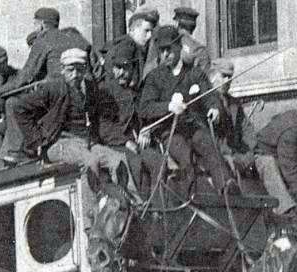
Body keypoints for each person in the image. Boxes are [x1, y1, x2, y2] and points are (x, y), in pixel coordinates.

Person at [5, 48, 128, 214]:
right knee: (90, 162)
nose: (75, 74)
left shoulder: (90, 89)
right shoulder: (54, 88)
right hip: (59, 143)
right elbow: (20, 108)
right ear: (62, 69)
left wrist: (124, 141)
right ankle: (91, 219)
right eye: (70, 70)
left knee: (118, 160)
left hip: (88, 143)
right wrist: (36, 140)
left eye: (79, 70)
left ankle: (126, 209)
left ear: (85, 70)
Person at [0, 8, 92, 166]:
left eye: (35, 24)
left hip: (56, 92)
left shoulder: (44, 39)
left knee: (12, 103)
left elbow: (25, 76)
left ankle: (21, 152)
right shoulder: (74, 38)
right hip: (80, 92)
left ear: (42, 25)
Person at [138, 25, 232, 196]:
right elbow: (144, 108)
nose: (165, 55)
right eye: (162, 51)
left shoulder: (194, 74)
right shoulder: (154, 78)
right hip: (169, 132)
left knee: (208, 146)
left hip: (193, 127)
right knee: (185, 155)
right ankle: (193, 198)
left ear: (179, 47)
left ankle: (227, 188)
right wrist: (168, 107)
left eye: (169, 49)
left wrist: (214, 109)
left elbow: (210, 96)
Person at [97, 40, 162, 196]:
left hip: (136, 143)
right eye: (117, 67)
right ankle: (141, 209)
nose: (120, 73)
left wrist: (147, 130)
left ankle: (159, 209)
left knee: (158, 162)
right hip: (115, 144)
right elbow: (105, 128)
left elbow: (147, 115)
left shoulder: (136, 91)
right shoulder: (105, 92)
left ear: (133, 68)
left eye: (125, 68)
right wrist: (126, 142)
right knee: (136, 165)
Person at [104, 9, 159, 86]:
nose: (149, 36)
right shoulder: (126, 48)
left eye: (151, 31)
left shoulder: (138, 49)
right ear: (133, 30)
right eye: (146, 31)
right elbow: (119, 88)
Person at [173, 6, 211, 74]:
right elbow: (205, 78)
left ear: (177, 24)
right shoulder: (200, 50)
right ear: (194, 27)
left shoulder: (168, 45)